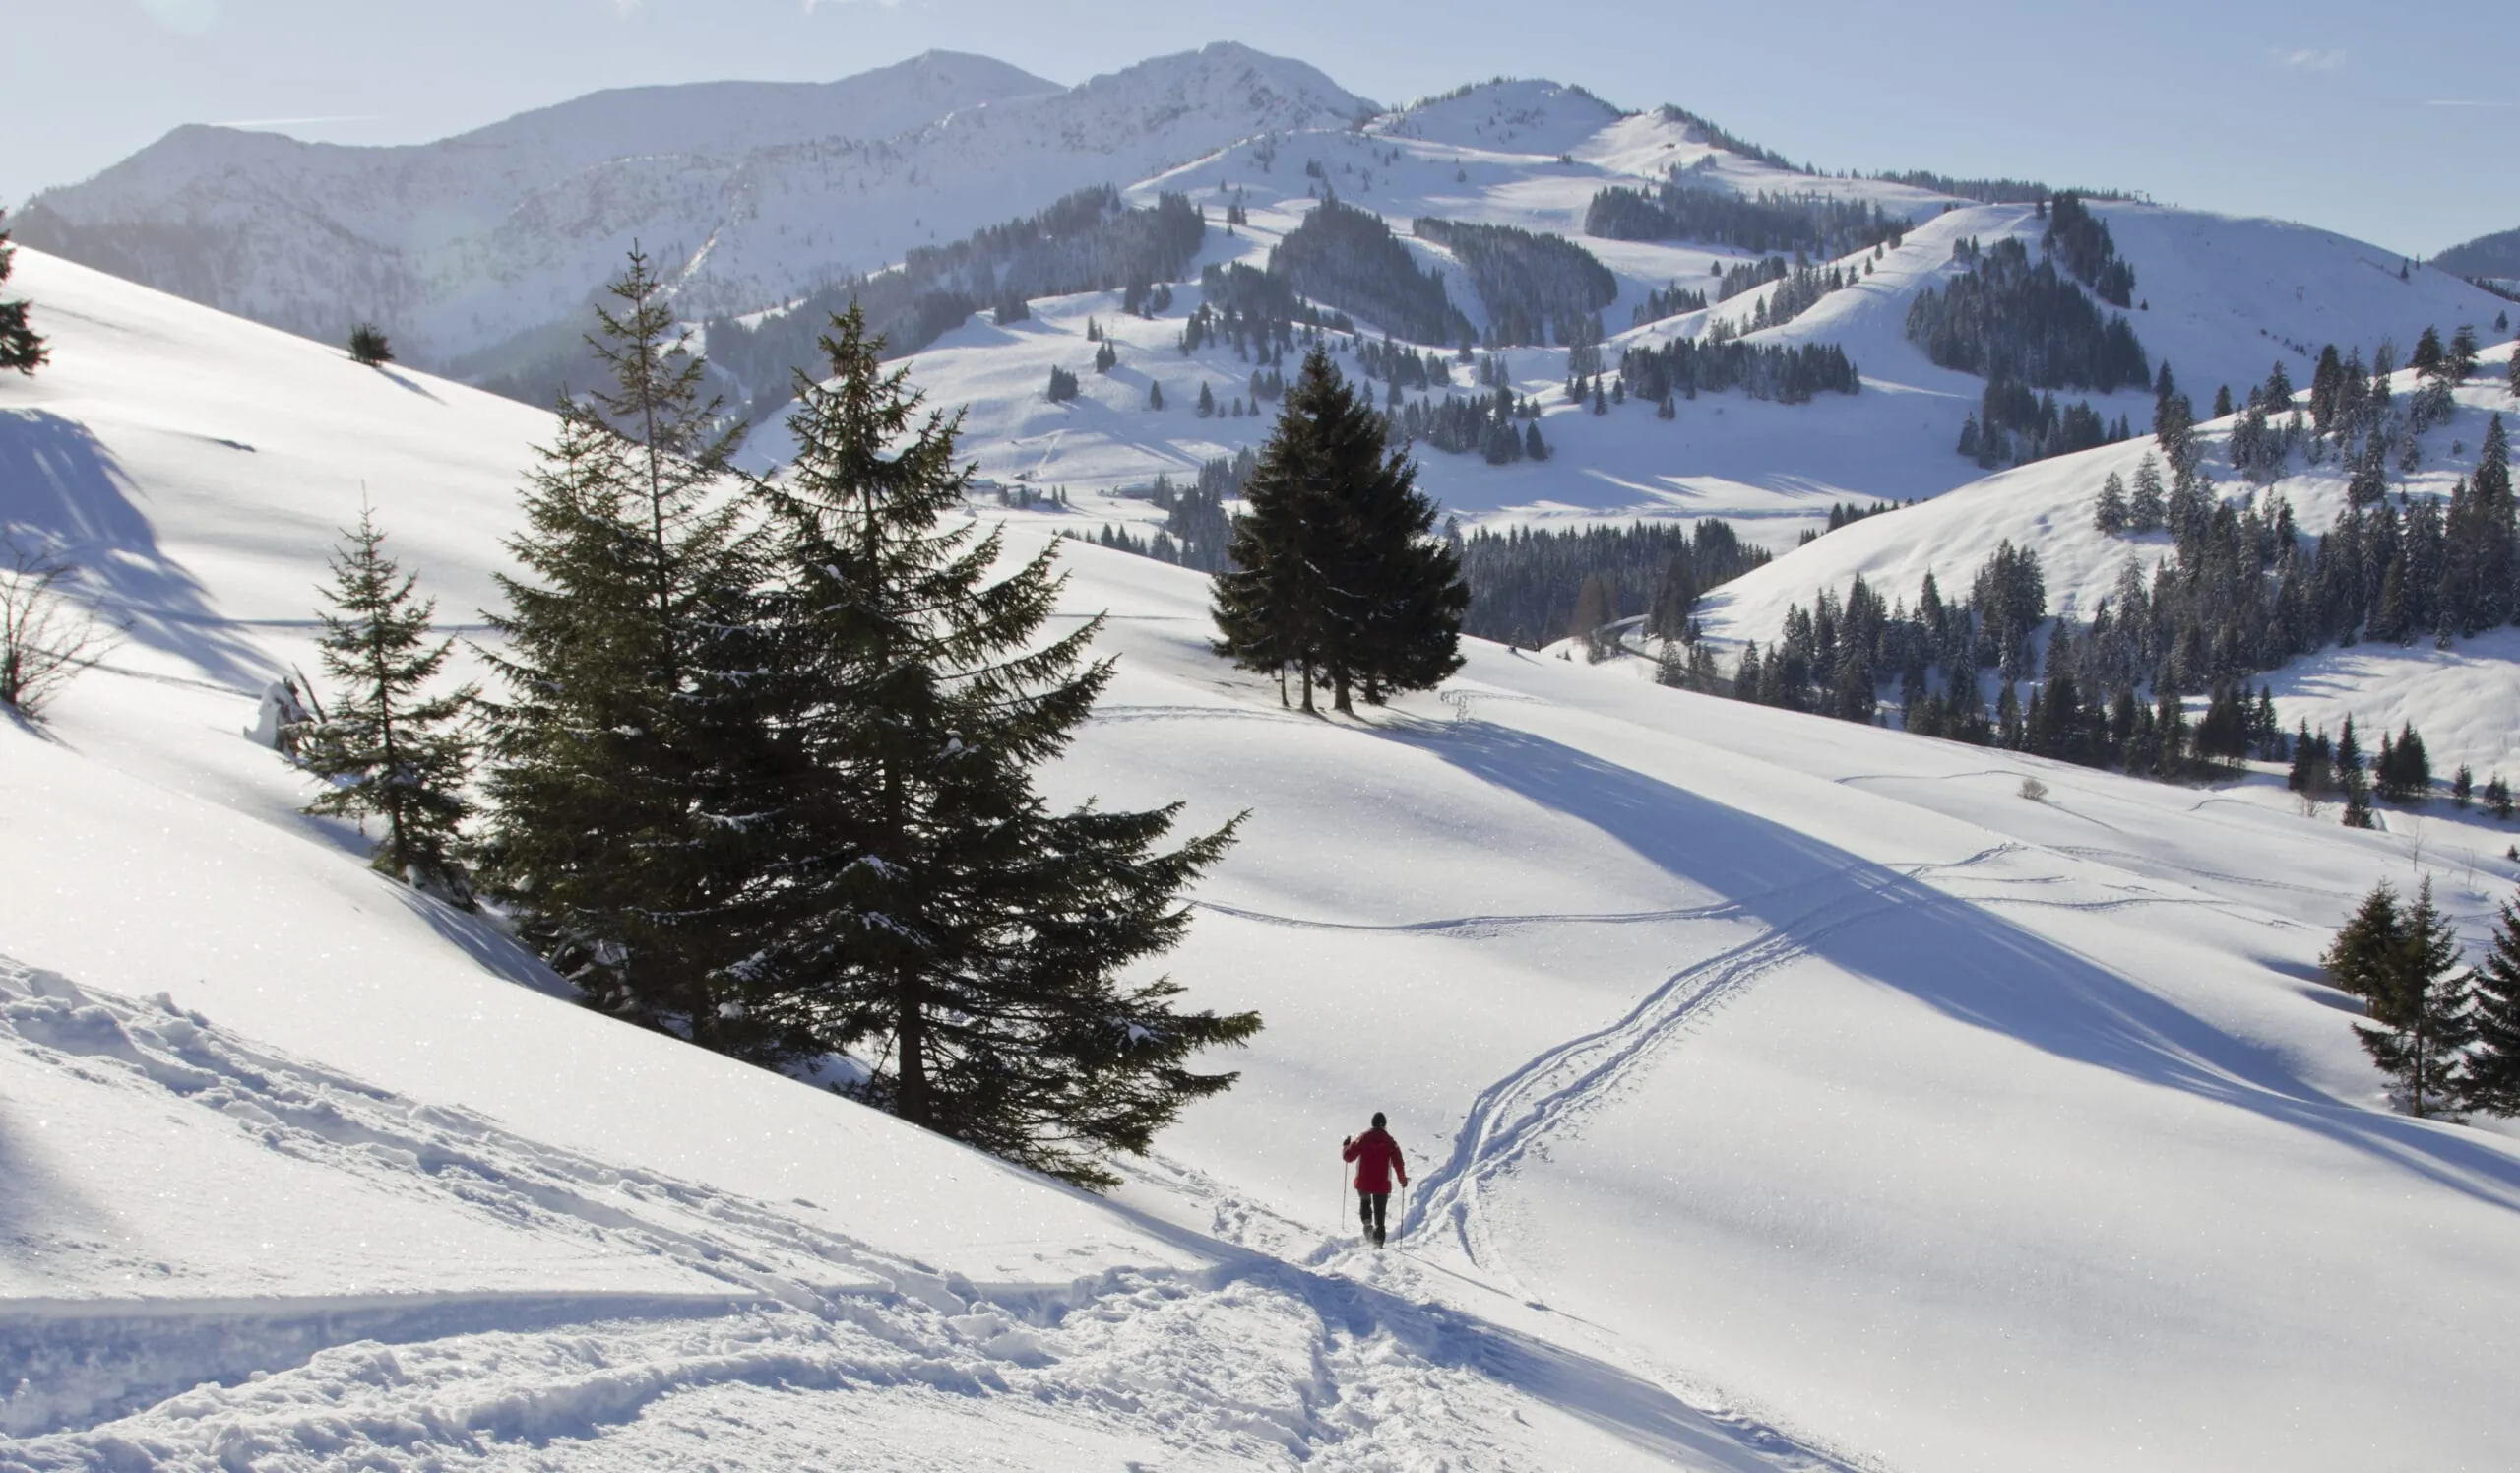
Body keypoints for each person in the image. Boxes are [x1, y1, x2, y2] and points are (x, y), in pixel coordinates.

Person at [1342, 1112, 1408, 1248]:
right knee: (1380, 1216)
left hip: (1364, 1180)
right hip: (1382, 1183)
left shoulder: (1364, 1138)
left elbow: (1348, 1157)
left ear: (1372, 1123)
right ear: (1384, 1125)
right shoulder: (1390, 1142)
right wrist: (1402, 1180)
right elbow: (1398, 1163)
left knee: (1365, 1201)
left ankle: (1367, 1224)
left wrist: (1345, 1146)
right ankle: (1378, 1244)